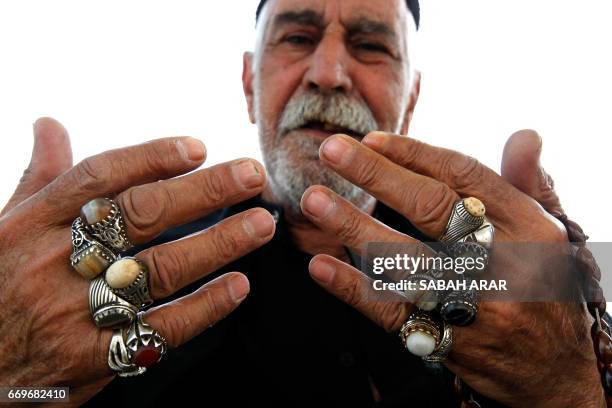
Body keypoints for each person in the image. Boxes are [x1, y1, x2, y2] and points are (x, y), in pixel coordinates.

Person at [0, 0, 605, 406]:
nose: (328, 72)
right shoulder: (114, 279)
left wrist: (569, 383)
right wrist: (13, 377)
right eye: (298, 36)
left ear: (411, 96)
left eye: (370, 46)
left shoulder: (513, 286)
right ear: (248, 82)